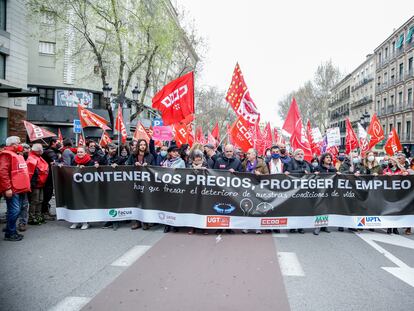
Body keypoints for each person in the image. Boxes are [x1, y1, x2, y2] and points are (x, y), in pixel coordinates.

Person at [0, 136, 31, 241]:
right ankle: (10, 233)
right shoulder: (6, 155)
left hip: (19, 188)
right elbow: (3, 173)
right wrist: (7, 188)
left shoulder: (15, 155)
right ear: (13, 145)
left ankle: (10, 230)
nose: (20, 145)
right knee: (14, 211)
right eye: (19, 143)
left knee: (14, 210)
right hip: (13, 189)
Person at [127, 139, 154, 230]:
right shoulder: (133, 155)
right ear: (138, 146)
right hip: (135, 181)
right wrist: (134, 164)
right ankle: (137, 222)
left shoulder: (150, 156)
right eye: (141, 144)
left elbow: (155, 167)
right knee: (136, 201)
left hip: (146, 182)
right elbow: (126, 165)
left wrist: (148, 165)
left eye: (144, 145)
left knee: (145, 201)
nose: (143, 146)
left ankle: (145, 222)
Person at [69, 146, 98, 230]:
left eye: (81, 152)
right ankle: (76, 221)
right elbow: (70, 170)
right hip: (76, 186)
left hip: (86, 187)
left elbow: (93, 171)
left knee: (85, 203)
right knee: (76, 202)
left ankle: (86, 222)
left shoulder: (90, 161)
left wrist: (85, 169)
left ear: (85, 153)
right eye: (78, 152)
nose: (79, 153)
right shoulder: (74, 161)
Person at [242, 148, 269, 234]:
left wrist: (260, 174)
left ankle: (257, 228)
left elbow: (268, 176)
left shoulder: (262, 163)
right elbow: (239, 172)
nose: (247, 155)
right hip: (247, 188)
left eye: (249, 154)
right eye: (247, 154)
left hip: (258, 189)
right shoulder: (245, 163)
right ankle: (246, 227)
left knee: (257, 208)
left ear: (254, 155)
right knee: (247, 207)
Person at [284, 149, 311, 234]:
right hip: (293, 189)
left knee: (302, 209)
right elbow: (289, 172)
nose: (300, 155)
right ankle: (292, 227)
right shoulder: (290, 163)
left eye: (301, 154)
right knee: (293, 208)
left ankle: (300, 227)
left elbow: (309, 172)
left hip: (304, 190)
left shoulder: (306, 163)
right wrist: (302, 171)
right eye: (298, 154)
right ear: (294, 155)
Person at [313, 153, 337, 235]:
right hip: (319, 191)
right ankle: (318, 227)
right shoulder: (318, 168)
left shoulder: (333, 168)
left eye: (330, 157)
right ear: (323, 159)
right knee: (320, 208)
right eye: (327, 157)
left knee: (326, 208)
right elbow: (311, 177)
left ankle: (324, 226)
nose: (329, 159)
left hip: (329, 191)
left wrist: (339, 174)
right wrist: (314, 174)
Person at [383, 157, 408, 234]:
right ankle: (389, 227)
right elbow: (381, 177)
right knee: (389, 210)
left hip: (398, 193)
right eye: (389, 161)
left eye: (391, 161)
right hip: (389, 193)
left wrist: (406, 174)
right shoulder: (386, 170)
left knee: (397, 210)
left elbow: (407, 173)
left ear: (395, 162)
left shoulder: (401, 170)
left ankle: (395, 228)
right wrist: (385, 175)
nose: (390, 162)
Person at [26, 144, 49, 226]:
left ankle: (37, 216)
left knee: (40, 200)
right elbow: (30, 173)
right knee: (35, 201)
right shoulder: (32, 158)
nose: (42, 151)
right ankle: (32, 217)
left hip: (40, 183)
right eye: (41, 150)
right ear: (38, 151)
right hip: (35, 183)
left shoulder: (36, 157)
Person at [186, 150, 209, 235]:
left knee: (203, 208)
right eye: (196, 160)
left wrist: (205, 170)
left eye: (200, 160)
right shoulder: (188, 166)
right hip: (191, 191)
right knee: (192, 209)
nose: (198, 161)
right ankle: (192, 227)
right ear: (192, 160)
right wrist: (195, 168)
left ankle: (204, 228)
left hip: (203, 191)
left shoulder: (206, 167)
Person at [41, 138, 61, 220]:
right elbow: (54, 159)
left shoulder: (52, 150)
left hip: (49, 176)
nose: (60, 144)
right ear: (53, 143)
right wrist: (57, 157)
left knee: (47, 195)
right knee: (47, 195)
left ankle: (45, 211)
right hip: (47, 177)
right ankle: (44, 212)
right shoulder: (49, 151)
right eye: (58, 142)